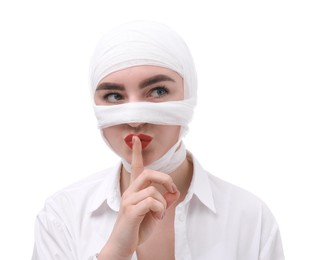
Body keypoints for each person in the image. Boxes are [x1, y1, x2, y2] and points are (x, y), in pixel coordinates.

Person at [32, 21, 285, 260]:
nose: (134, 119)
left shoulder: (250, 218)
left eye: (158, 91)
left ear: (189, 95)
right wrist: (115, 253)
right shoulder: (61, 216)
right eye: (113, 96)